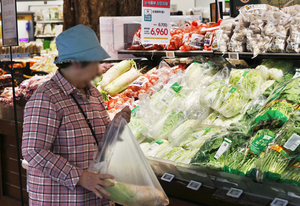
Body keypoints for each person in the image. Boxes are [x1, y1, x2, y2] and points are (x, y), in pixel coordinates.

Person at [22, 24, 131, 206]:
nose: (99, 69)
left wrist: (116, 125)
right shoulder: (46, 98)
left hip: (92, 198)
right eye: (95, 62)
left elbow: (99, 141)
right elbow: (33, 151)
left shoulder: (93, 93)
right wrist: (79, 177)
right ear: (78, 63)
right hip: (60, 199)